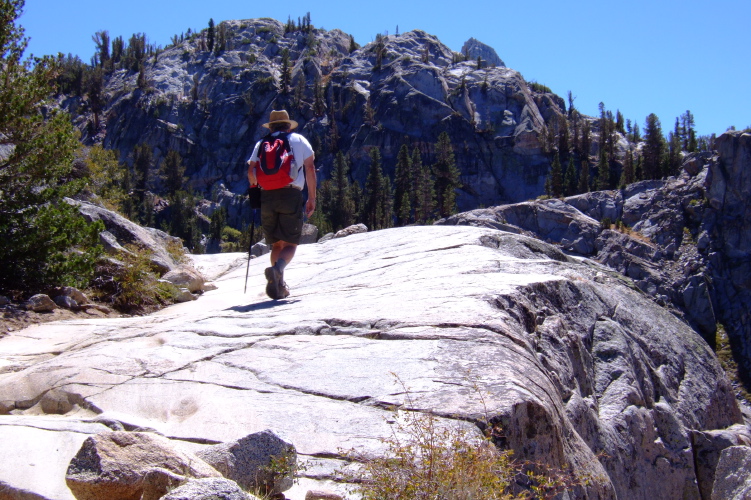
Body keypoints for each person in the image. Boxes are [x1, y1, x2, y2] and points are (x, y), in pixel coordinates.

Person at [247, 110, 316, 299]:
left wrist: (256, 191)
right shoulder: (298, 140)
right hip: (290, 194)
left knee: (276, 244)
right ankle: (277, 269)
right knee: (291, 243)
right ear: (288, 125)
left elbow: (251, 172)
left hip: (266, 196)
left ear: (271, 127)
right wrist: (312, 198)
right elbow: (309, 168)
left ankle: (278, 284)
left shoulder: (261, 144)